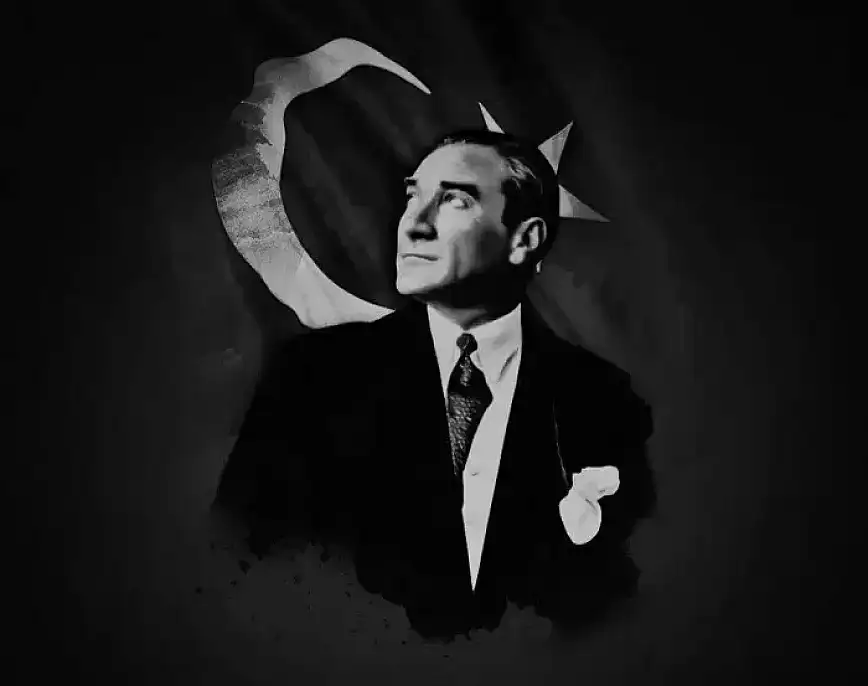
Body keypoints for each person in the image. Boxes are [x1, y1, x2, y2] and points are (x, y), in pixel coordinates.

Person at [212, 129, 656, 640]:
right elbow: (233, 566)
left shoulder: (603, 398)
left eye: (454, 200)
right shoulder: (311, 379)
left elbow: (627, 601)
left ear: (525, 239)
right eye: (412, 197)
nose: (413, 225)